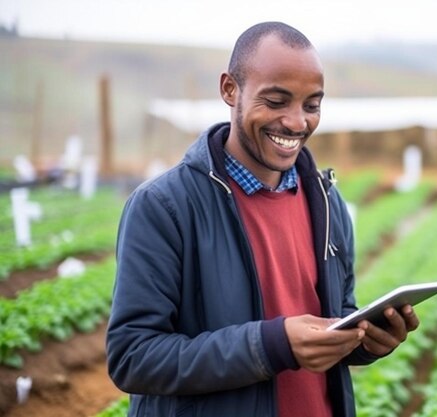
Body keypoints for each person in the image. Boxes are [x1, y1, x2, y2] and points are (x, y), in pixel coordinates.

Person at [106, 21, 420, 417]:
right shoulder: (164, 207)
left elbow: (334, 319)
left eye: (312, 105)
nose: (296, 122)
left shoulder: (327, 202)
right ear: (229, 90)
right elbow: (133, 357)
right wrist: (271, 345)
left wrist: (366, 340)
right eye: (275, 102)